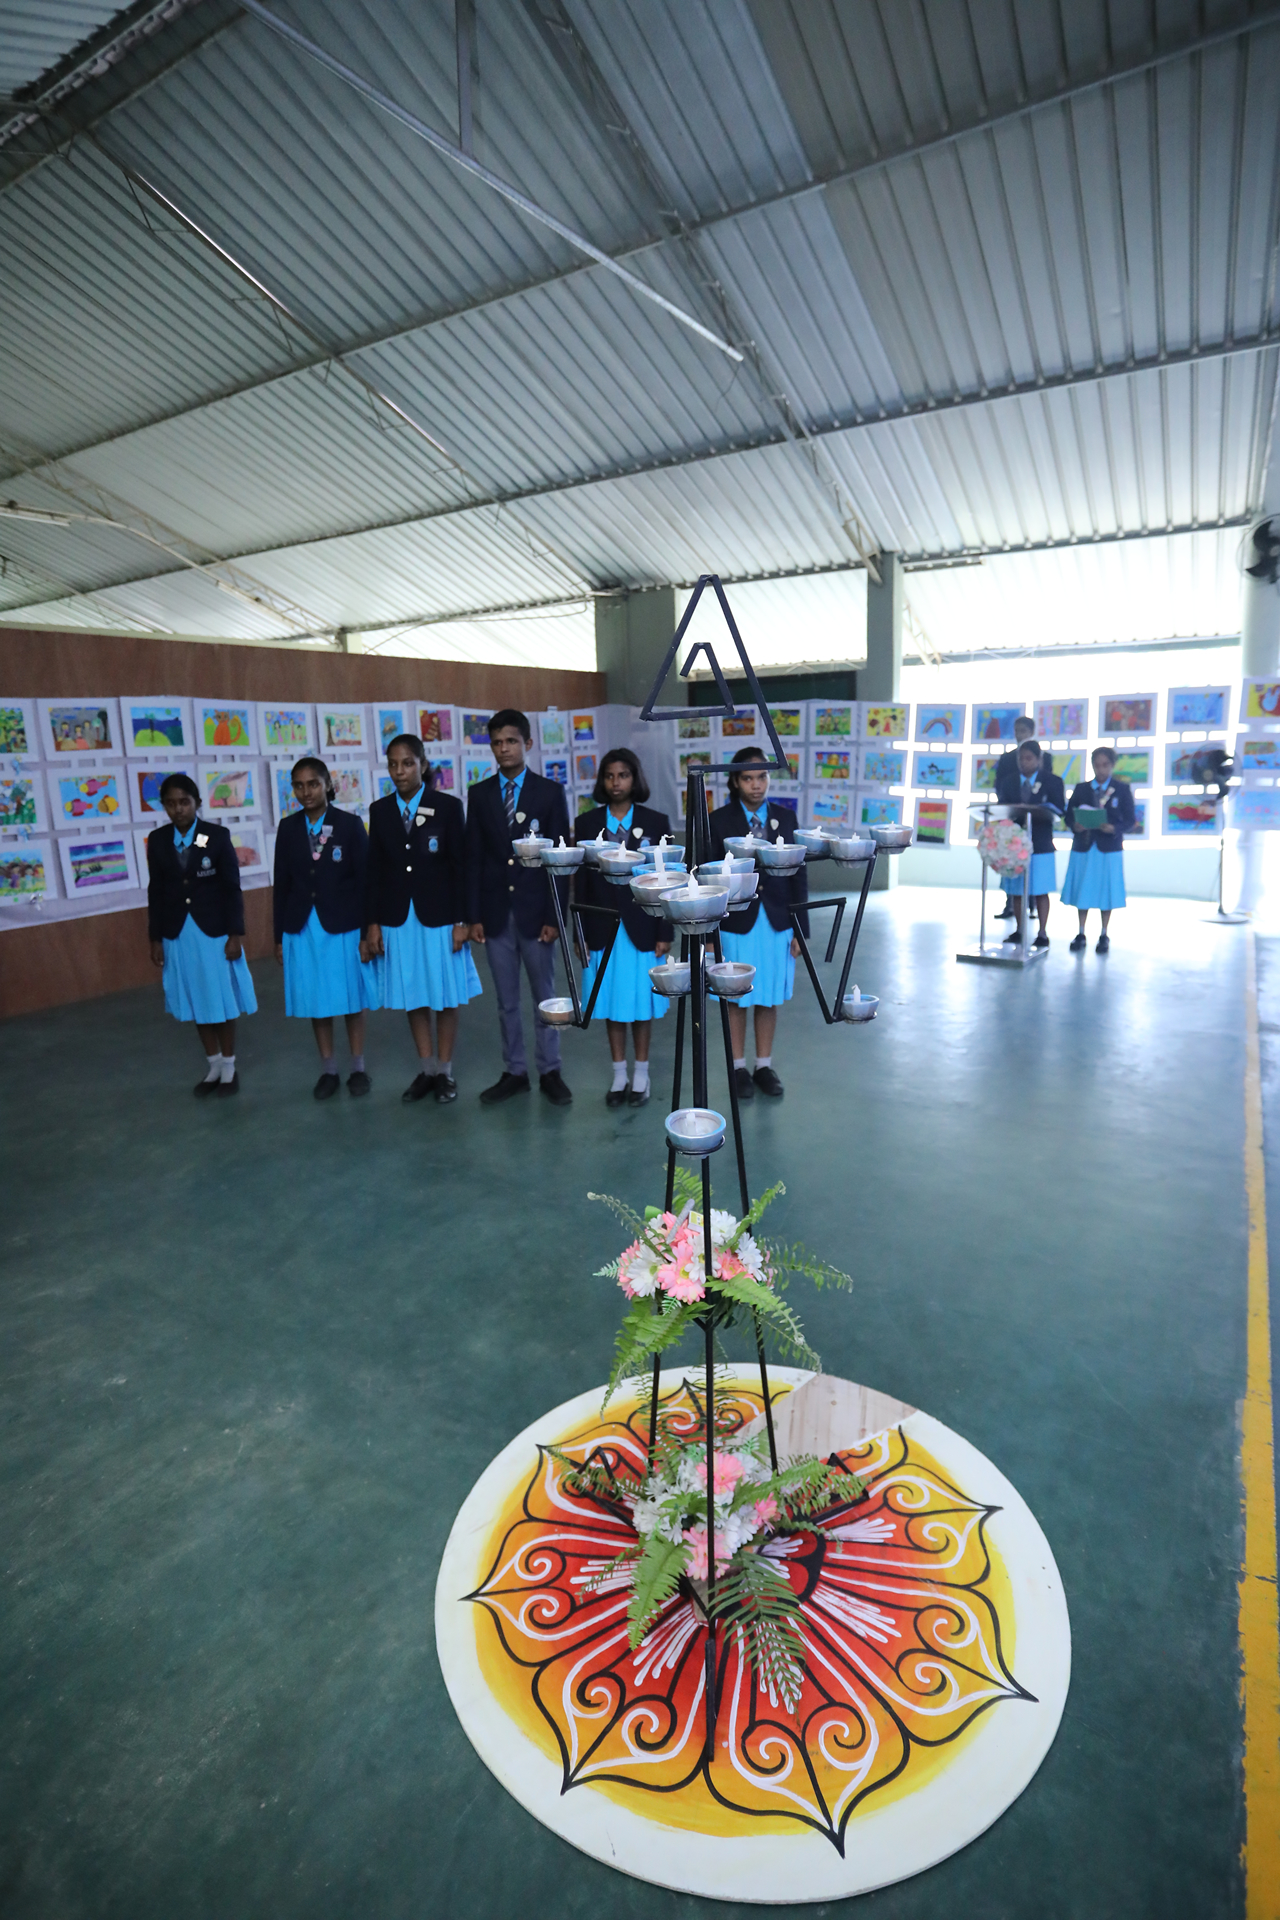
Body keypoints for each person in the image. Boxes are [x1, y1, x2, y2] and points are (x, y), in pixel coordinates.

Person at [466, 709, 573, 1106]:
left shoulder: (548, 793)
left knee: (545, 994)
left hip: (535, 913)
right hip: (495, 914)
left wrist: (554, 916)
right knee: (505, 999)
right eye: (496, 742)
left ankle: (550, 1069)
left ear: (527, 744)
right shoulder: (479, 795)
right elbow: (473, 857)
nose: (504, 749)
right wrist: (473, 915)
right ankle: (514, 1070)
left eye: (511, 741)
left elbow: (560, 860)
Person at [364, 734, 479, 1104]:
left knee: (444, 995)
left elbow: (461, 866)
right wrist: (373, 922)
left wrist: (463, 919)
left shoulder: (446, 807)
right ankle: (426, 1069)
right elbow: (374, 871)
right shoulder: (380, 811)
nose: (400, 771)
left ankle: (445, 1073)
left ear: (423, 765)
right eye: (393, 764)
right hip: (398, 917)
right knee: (413, 992)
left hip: (441, 916)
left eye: (407, 763)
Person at [146, 771, 257, 1096]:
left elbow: (231, 888)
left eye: (184, 802)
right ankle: (213, 1065)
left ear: (196, 802)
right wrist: (155, 937)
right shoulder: (159, 841)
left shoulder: (216, 836)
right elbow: (156, 891)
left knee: (219, 998)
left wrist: (235, 933)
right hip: (178, 933)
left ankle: (229, 1068)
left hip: (214, 932)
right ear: (164, 807)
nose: (178, 809)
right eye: (170, 804)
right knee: (196, 998)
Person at [273, 755, 377, 1099]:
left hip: (343, 924)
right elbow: (282, 884)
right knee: (316, 999)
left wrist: (365, 933)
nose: (306, 792)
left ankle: (358, 1067)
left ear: (327, 785)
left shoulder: (349, 825)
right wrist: (278, 936)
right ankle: (329, 1069)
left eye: (313, 784)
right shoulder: (288, 828)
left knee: (350, 997)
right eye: (299, 786)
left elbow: (365, 882)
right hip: (303, 925)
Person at [574, 748, 672, 1107]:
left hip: (643, 928)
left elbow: (667, 881)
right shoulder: (586, 825)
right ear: (602, 780)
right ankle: (619, 1076)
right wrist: (579, 933)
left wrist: (665, 931)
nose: (616, 782)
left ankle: (641, 1075)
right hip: (601, 928)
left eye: (624, 775)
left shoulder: (656, 822)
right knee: (612, 1003)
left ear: (635, 779)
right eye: (610, 776)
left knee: (640, 1004)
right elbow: (580, 885)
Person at [708, 747, 808, 1100]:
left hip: (777, 920)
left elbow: (798, 873)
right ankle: (737, 1068)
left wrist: (801, 928)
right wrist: (708, 935)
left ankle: (763, 1065)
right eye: (748, 778)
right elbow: (709, 880)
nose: (756, 785)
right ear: (735, 781)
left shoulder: (786, 817)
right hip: (735, 921)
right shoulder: (718, 821)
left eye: (762, 777)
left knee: (768, 996)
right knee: (735, 996)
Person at [1062, 746, 1136, 954]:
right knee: (1083, 889)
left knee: (1107, 891)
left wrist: (1114, 828)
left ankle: (1104, 933)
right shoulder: (1082, 789)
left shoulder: (1121, 789)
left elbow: (1130, 820)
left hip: (1109, 847)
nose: (1101, 770)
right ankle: (1081, 932)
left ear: (1112, 765)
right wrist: (1075, 825)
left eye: (1105, 765)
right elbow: (1069, 816)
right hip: (1084, 845)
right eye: (1097, 765)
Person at [1001, 739, 1066, 949]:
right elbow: (1003, 808)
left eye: (1028, 758)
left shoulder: (1053, 781)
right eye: (1021, 758)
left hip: (1041, 842)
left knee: (1040, 890)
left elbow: (1059, 810)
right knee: (1017, 890)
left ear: (1038, 759)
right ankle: (1020, 931)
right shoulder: (1009, 781)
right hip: (1015, 843)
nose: (1024, 762)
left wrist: (1042, 810)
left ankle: (1042, 933)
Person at [993, 716, 1037, 918]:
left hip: (1034, 820)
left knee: (1032, 863)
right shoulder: (1007, 758)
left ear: (1031, 732)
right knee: (1009, 859)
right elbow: (999, 785)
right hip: (1011, 819)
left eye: (1024, 731)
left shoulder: (1043, 757)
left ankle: (1032, 904)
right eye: (1017, 730)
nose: (1019, 735)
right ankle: (1009, 904)